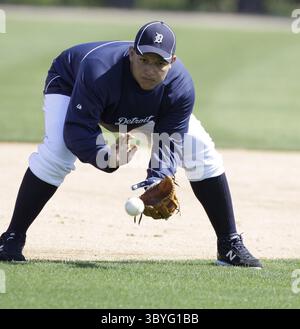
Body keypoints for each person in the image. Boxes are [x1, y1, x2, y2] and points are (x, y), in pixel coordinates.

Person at [0, 21, 262, 268]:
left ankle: (229, 245)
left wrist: (157, 178)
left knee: (201, 152)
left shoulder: (180, 87)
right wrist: (106, 156)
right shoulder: (98, 70)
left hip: (143, 108)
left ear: (172, 62)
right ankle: (12, 238)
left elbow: (169, 139)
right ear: (130, 53)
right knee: (56, 153)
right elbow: (78, 129)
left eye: (159, 63)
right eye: (144, 59)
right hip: (72, 83)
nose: (150, 69)